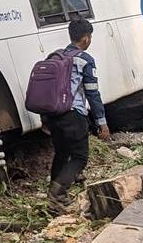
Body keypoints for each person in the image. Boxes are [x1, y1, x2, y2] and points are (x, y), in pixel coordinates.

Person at [46, 17, 110, 211]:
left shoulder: (55, 57)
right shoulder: (85, 60)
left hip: (53, 115)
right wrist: (102, 122)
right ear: (86, 39)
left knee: (62, 153)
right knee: (80, 157)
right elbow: (92, 93)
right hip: (73, 114)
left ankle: (55, 196)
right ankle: (56, 196)